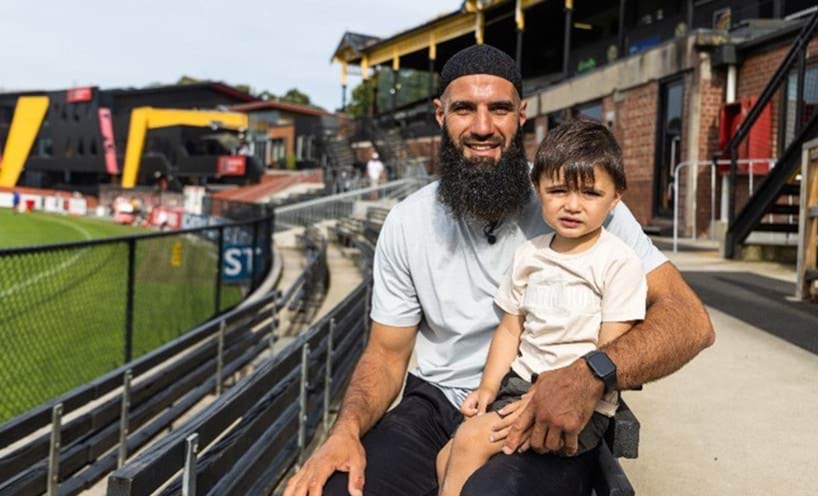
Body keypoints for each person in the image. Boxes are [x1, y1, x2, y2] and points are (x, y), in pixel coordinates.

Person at [284, 44, 714, 496]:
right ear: (439, 114)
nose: (483, 127)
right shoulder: (407, 221)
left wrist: (590, 374)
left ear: (522, 114)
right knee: (336, 489)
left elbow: (690, 321)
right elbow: (387, 354)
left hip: (540, 406)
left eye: (500, 109)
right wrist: (345, 429)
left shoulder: (580, 199)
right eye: (465, 109)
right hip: (435, 403)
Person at [436, 119, 647, 496]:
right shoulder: (529, 255)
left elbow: (612, 349)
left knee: (469, 443)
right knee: (445, 456)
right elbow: (510, 329)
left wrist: (564, 395)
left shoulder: (618, 262)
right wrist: (488, 387)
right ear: (538, 190)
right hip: (519, 385)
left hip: (579, 401)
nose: (572, 205)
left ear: (615, 198)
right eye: (558, 190)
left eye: (590, 193)